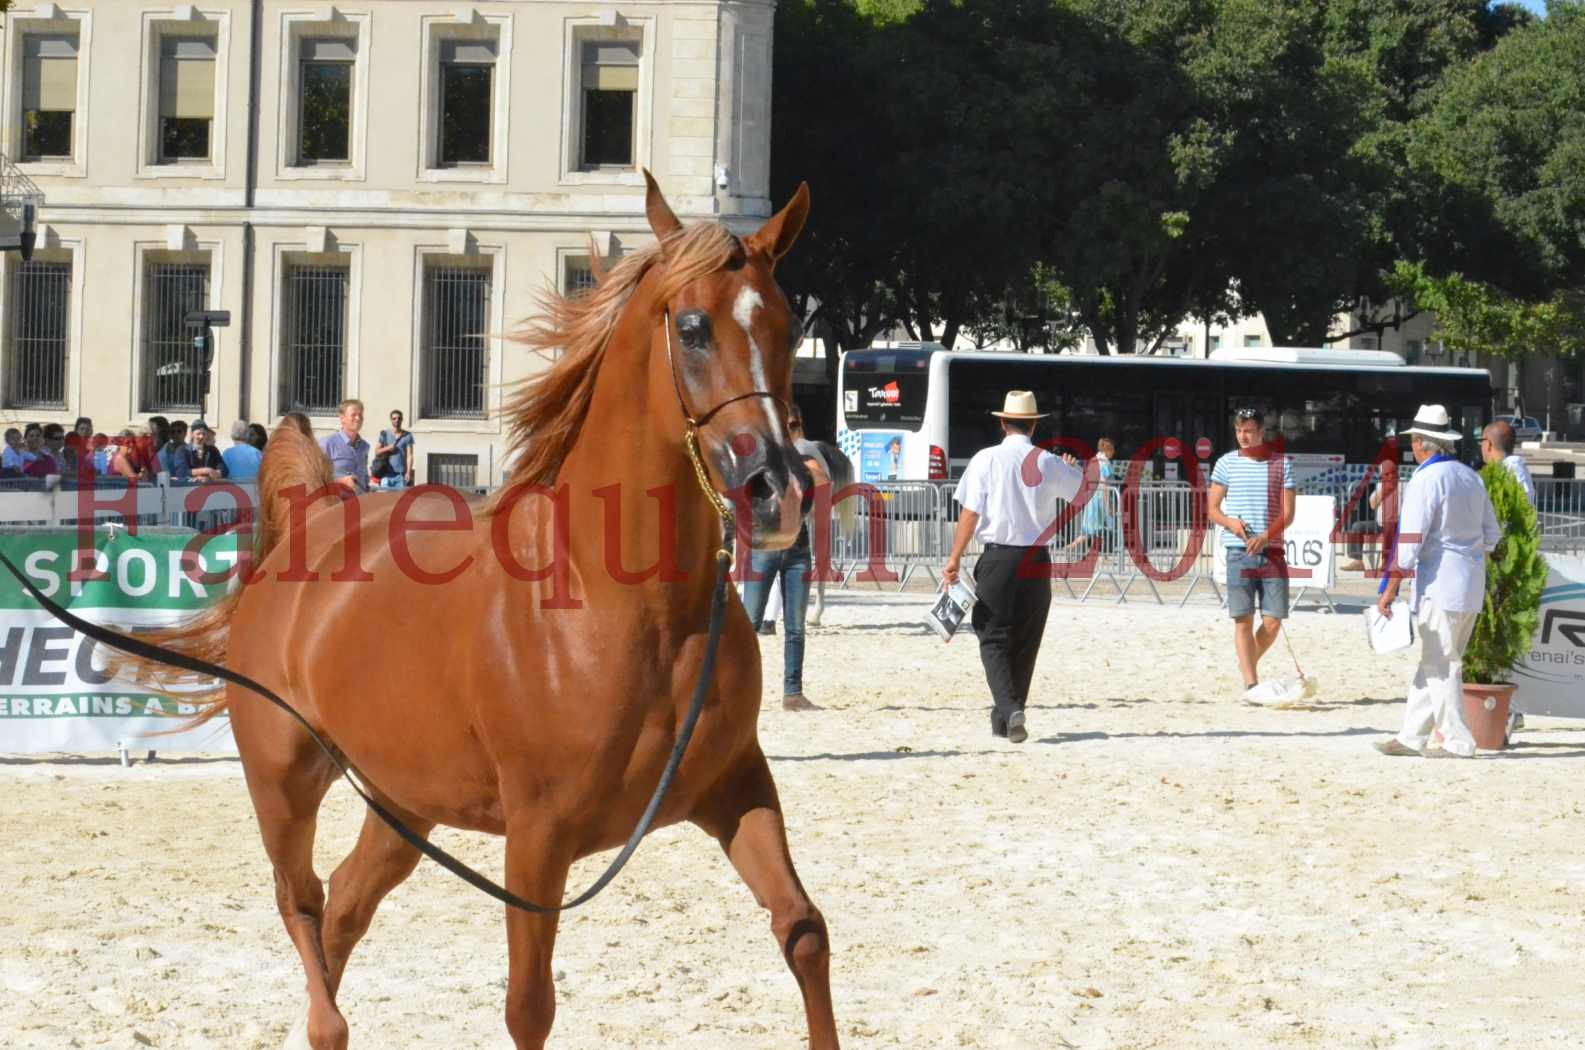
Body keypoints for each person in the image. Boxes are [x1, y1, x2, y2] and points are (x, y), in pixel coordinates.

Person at [943, 391, 1083, 743]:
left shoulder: (985, 459)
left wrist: (954, 557)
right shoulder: (1048, 461)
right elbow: (1082, 493)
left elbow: (970, 513)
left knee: (991, 635)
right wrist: (1069, 468)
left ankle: (1009, 709)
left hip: (999, 556)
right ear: (1034, 425)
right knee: (1025, 640)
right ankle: (1005, 716)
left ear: (1002, 422)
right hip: (1037, 559)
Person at [1375, 405, 1500, 759]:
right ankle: (1411, 735)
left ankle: (1459, 741)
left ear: (1420, 443)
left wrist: (1390, 585)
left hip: (1440, 585)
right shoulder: (1470, 476)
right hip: (1469, 583)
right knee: (1437, 659)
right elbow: (1492, 535)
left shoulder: (1426, 480)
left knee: (1441, 663)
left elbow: (1409, 542)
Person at [739, 405, 830, 712]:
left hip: (797, 548)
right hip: (764, 547)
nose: (791, 432)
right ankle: (738, 688)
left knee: (795, 627)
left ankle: (793, 692)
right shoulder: (759, 463)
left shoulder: (805, 463)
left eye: (794, 426)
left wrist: (796, 462)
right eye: (786, 426)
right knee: (748, 624)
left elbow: (823, 482)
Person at [1207, 408, 1296, 700]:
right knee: (1242, 619)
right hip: (1238, 551)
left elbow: (1288, 512)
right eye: (1239, 430)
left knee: (1273, 621)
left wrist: (1266, 536)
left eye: (1248, 430)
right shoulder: (1225, 464)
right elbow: (1212, 509)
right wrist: (1231, 523)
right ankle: (1251, 683)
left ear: (1261, 432)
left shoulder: (1281, 464)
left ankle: (1247, 663)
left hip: (1272, 550)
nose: (1243, 436)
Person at [1066, 437, 1116, 553]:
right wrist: (1108, 505)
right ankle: (1071, 547)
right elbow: (1104, 486)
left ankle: (1102, 556)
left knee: (1094, 530)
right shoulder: (1105, 464)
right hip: (1100, 501)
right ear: (1109, 449)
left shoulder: (1093, 461)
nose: (1114, 453)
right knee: (1102, 530)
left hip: (1091, 499)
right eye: (1113, 450)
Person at [320, 399, 369, 493]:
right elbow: (315, 479)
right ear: (342, 418)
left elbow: (365, 478)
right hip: (336, 504)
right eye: (353, 415)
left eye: (360, 415)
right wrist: (342, 481)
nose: (358, 418)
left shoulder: (364, 446)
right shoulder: (327, 444)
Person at [1481, 419, 1535, 506]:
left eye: (1481, 440)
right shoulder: (1508, 468)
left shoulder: (1512, 470)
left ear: (1488, 444)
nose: (1481, 446)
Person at [373, 409, 416, 490]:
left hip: (400, 475)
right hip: (385, 474)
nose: (397, 420)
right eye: (394, 418)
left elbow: (410, 455)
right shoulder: (385, 434)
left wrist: (408, 472)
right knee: (385, 500)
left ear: (402, 420)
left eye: (399, 418)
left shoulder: (407, 435)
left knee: (399, 500)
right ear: (391, 420)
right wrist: (388, 448)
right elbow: (376, 452)